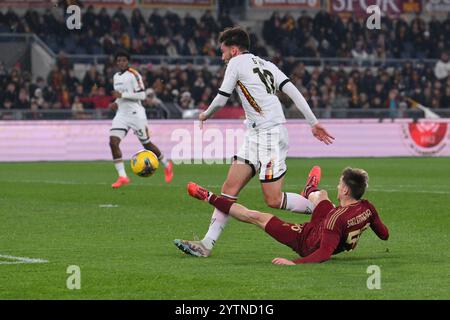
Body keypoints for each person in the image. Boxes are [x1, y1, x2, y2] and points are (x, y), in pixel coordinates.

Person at [174, 27, 334, 257]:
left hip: (270, 134)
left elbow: (221, 99)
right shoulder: (268, 65)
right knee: (229, 188)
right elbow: (293, 91)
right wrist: (313, 122)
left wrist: (204, 114)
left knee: (273, 199)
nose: (222, 57)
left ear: (234, 50)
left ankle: (323, 209)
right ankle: (206, 244)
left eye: (223, 52)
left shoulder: (236, 63)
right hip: (254, 134)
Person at [176, 166, 389, 264]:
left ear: (344, 191)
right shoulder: (368, 208)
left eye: (340, 184)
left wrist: (294, 263)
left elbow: (323, 253)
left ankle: (207, 196)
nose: (337, 186)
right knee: (321, 195)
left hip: (307, 240)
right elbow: (384, 235)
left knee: (256, 216)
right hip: (326, 222)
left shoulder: (336, 219)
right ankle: (309, 190)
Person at [109, 50, 173, 188]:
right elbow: (120, 96)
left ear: (128, 61)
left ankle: (167, 165)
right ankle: (122, 176)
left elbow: (142, 95)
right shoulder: (115, 77)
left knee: (146, 144)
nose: (121, 62)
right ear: (116, 62)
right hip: (121, 114)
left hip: (135, 113)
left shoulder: (134, 75)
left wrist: (122, 96)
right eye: (119, 60)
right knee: (113, 142)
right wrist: (116, 102)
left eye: (124, 60)